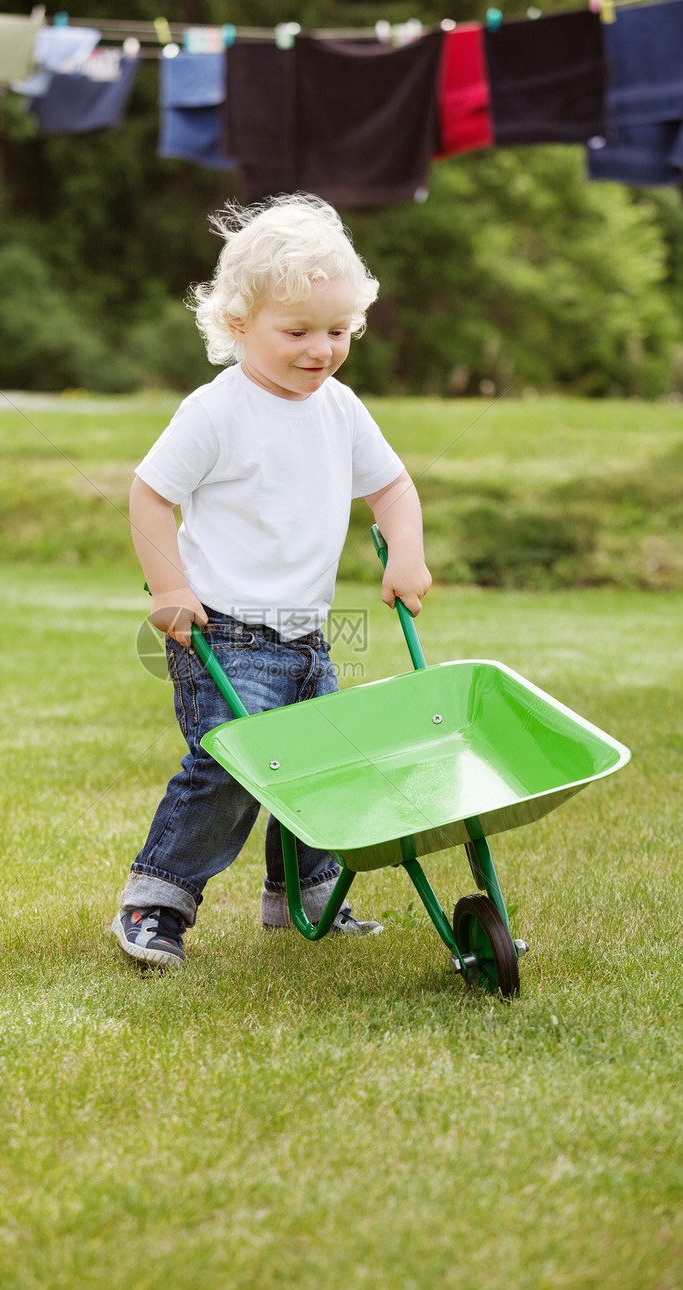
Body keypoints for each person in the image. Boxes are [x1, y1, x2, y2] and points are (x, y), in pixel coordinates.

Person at [111, 193, 431, 969]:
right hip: (224, 632)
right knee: (234, 764)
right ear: (236, 326)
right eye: (297, 332)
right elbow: (150, 495)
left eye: (337, 331)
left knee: (319, 766)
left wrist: (406, 551)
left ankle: (303, 895)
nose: (320, 349)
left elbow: (391, 488)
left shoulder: (341, 409)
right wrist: (169, 589)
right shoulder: (216, 412)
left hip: (306, 636)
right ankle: (156, 901)